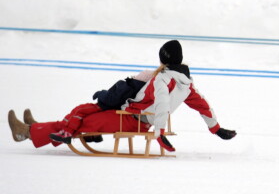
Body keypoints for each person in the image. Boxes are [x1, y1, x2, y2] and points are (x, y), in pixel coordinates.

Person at [8, 40, 237, 152]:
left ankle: (27, 133)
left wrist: (159, 133)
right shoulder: (187, 85)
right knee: (85, 109)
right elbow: (203, 106)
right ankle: (38, 128)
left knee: (84, 120)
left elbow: (163, 105)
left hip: (130, 120)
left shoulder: (162, 79)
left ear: (163, 59)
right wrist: (216, 129)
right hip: (130, 116)